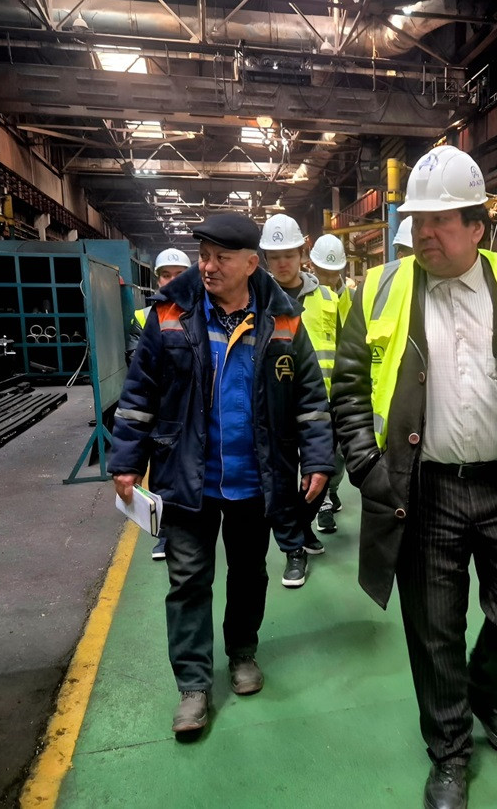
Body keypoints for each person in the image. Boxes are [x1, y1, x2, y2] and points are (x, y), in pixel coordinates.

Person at [332, 145, 497, 809]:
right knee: (434, 630)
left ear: (476, 226)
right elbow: (347, 390)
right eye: (418, 220)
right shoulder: (379, 289)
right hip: (423, 491)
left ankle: (486, 694)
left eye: (439, 221)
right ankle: (448, 753)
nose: (424, 234)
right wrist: (368, 468)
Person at [108, 213, 334, 735]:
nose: (207, 267)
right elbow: (140, 392)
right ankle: (193, 685)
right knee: (188, 580)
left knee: (249, 573)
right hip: (187, 476)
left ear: (251, 263)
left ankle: (242, 653)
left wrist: (319, 458)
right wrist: (126, 460)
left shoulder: (283, 319)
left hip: (256, 478)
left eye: (221, 258)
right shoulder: (171, 313)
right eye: (204, 256)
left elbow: (309, 398)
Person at [260, 214, 339, 585]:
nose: (282, 263)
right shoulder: (258, 301)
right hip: (274, 405)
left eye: (288, 255)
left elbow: (350, 348)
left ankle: (303, 526)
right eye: (274, 257)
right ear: (264, 258)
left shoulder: (329, 298)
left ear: (302, 254)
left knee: (321, 471)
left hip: (322, 405)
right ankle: (294, 549)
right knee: (279, 479)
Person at [126, 247, 190, 560]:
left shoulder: (201, 313)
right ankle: (164, 535)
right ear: (157, 280)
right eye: (166, 275)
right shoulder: (144, 317)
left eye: (179, 275)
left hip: (187, 407)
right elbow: (139, 365)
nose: (172, 280)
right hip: (161, 409)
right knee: (163, 474)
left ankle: (185, 532)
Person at [308, 233, 350, 534]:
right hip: (313, 393)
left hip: (344, 392)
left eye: (334, 272)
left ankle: (331, 490)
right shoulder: (305, 300)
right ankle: (321, 504)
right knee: (318, 454)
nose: (329, 278)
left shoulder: (350, 299)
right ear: (312, 267)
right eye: (324, 272)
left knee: (341, 454)